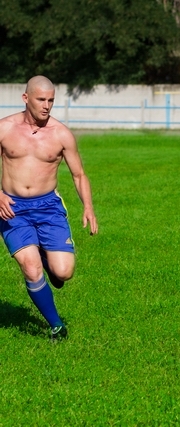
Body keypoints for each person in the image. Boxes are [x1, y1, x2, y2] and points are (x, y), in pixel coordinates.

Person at [0, 76, 98, 341]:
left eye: (51, 100)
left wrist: (87, 207)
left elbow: (78, 175)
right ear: (26, 98)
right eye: (41, 99)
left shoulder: (61, 134)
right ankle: (56, 325)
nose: (47, 105)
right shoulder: (4, 128)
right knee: (30, 268)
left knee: (63, 272)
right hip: (12, 208)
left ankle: (48, 258)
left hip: (48, 208)